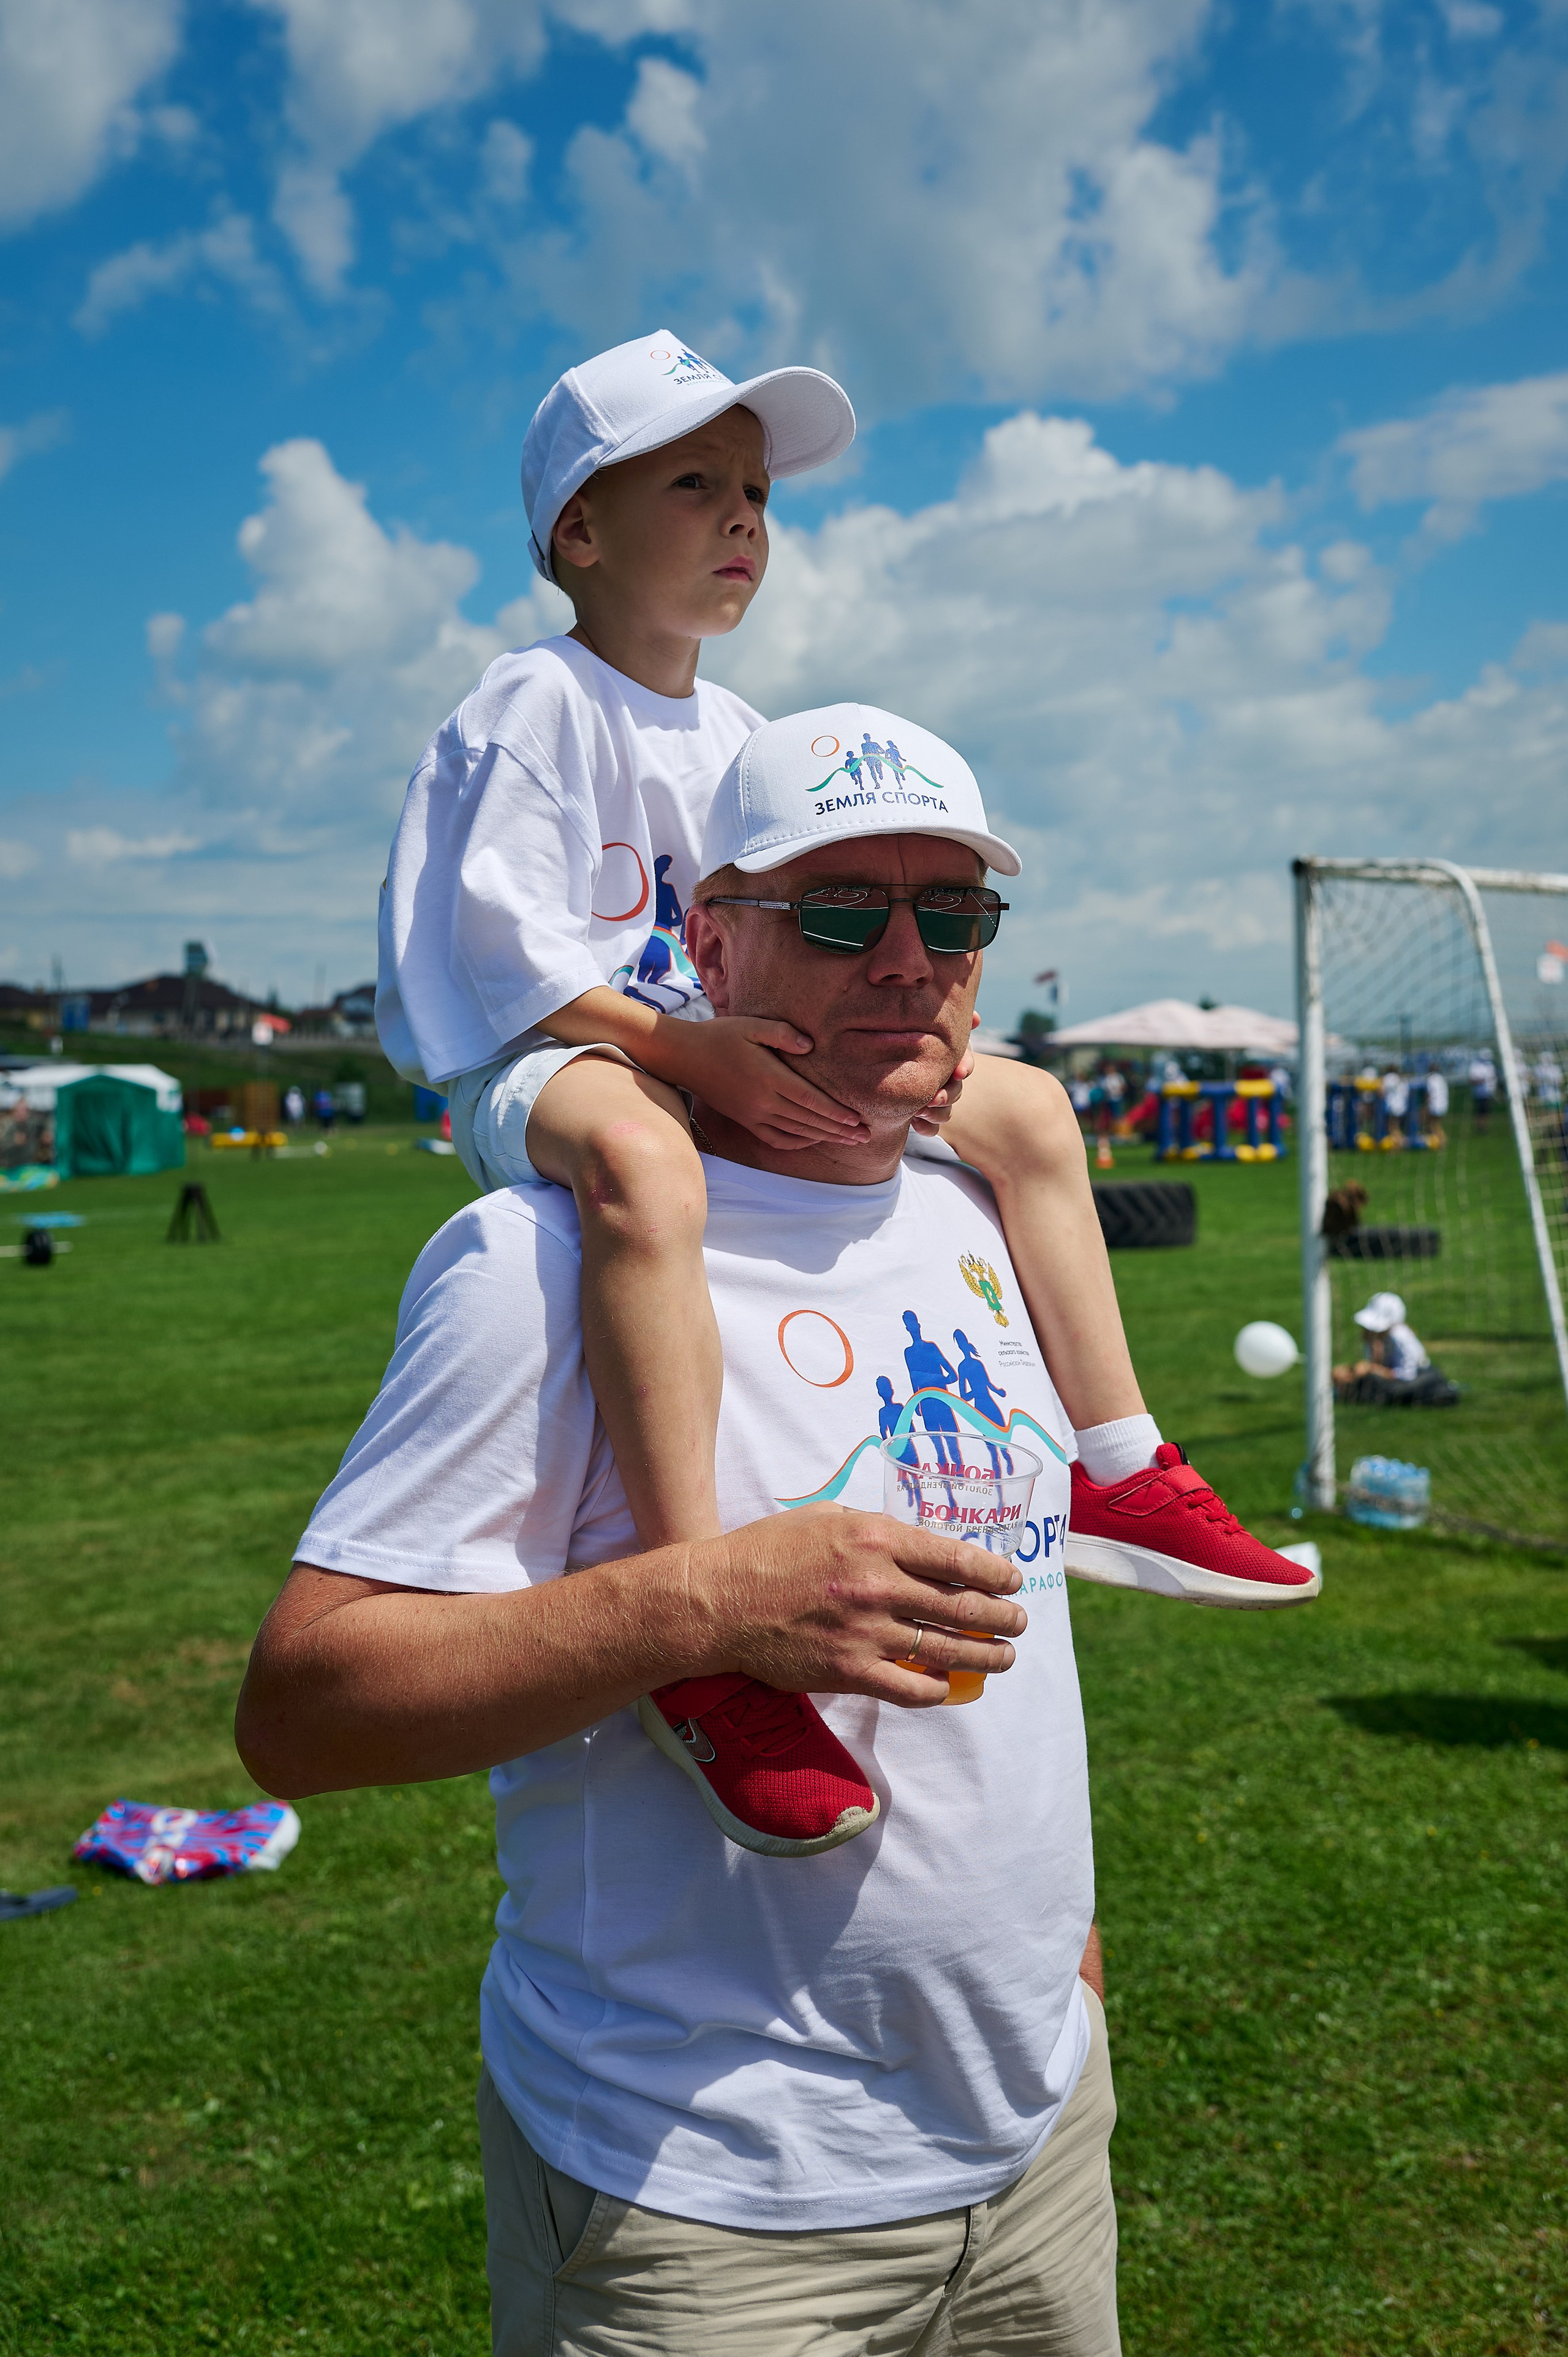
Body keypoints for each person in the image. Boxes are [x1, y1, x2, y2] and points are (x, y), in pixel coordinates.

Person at [243, 746, 1144, 2353]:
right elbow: (303, 1706)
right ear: (708, 944)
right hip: (706, 2201)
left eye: (956, 909)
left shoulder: (977, 1210)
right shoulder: (542, 1255)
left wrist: (1059, 1972)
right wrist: (706, 1598)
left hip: (1035, 2144)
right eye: (845, 906)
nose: (910, 957)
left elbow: (1023, 1658)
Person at [375, 331, 1311, 1861]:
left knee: (1022, 1115)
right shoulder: (529, 702)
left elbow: (793, 943)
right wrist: (685, 1053)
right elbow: (498, 961)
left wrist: (910, 1045)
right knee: (643, 1167)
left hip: (709, 1038)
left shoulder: (742, 734)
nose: (744, 517)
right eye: (693, 484)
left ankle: (1124, 1463)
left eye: (755, 492)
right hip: (557, 1062)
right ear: (578, 533)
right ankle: (698, 1621)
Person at [1332, 1290, 1457, 1406]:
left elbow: (1406, 1376)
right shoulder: (1377, 1338)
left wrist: (1372, 1369)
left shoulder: (1400, 1337)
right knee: (1340, 1373)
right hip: (1386, 1377)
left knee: (1361, 1379)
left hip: (1409, 1381)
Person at [1469, 1049, 1496, 1134]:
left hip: (1488, 1091)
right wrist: (1480, 1081)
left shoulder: (1490, 1065)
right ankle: (1481, 1128)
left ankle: (1485, 1127)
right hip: (1479, 1092)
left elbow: (1493, 1078)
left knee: (1486, 1111)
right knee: (1480, 1111)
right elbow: (1471, 1079)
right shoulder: (1475, 1065)